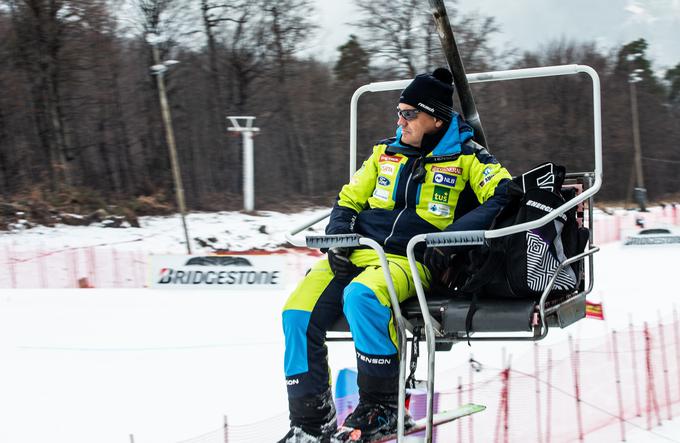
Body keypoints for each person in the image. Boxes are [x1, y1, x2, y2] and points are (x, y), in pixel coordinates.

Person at [279, 68, 512, 442]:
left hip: (409, 259)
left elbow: (503, 194)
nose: (399, 120)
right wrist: (339, 239)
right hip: (357, 250)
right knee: (295, 313)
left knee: (363, 297)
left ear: (435, 118)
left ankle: (380, 406)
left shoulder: (466, 158)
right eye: (398, 111)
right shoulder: (384, 154)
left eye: (408, 113)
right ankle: (310, 420)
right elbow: (348, 199)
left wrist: (446, 241)